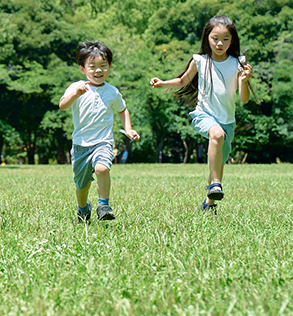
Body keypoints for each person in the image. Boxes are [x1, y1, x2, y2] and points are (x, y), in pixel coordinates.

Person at [150, 15, 253, 214]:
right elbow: (182, 81)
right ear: (207, 38)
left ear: (232, 40)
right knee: (216, 135)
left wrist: (246, 80)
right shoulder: (200, 61)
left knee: (219, 163)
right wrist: (162, 83)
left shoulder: (238, 63)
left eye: (225, 38)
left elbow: (244, 99)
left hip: (228, 121)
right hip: (204, 115)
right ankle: (215, 184)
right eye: (215, 38)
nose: (220, 43)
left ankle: (209, 203)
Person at [59, 41, 140, 224]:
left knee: (102, 168)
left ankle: (103, 205)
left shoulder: (112, 91)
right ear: (82, 68)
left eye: (103, 66)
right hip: (81, 145)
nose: (98, 70)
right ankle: (82, 208)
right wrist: (76, 94)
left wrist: (128, 129)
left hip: (103, 142)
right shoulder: (77, 87)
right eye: (92, 66)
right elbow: (63, 105)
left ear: (109, 66)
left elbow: (122, 109)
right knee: (82, 185)